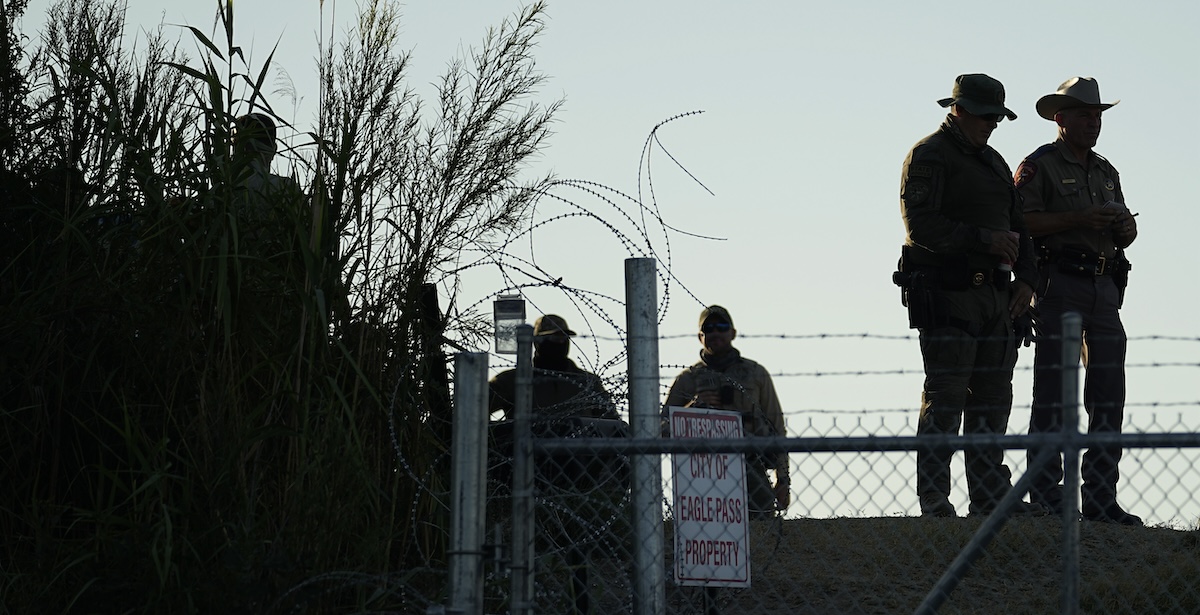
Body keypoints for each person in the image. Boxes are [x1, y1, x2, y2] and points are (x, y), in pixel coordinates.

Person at [896, 74, 1046, 518]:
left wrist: (1028, 281)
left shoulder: (996, 164)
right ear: (957, 110)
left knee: (994, 398)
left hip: (997, 299)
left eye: (997, 117)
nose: (991, 124)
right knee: (946, 396)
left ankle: (988, 495)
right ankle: (935, 498)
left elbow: (1020, 228)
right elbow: (920, 226)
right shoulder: (929, 156)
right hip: (949, 293)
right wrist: (984, 239)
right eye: (984, 116)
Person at [1013, 77, 1141, 526]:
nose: (1094, 123)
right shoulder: (1038, 166)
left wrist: (1125, 229)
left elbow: (1125, 229)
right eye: (1085, 115)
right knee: (1052, 398)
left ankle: (1101, 498)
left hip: (1105, 290)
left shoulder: (1106, 171)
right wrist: (1077, 218)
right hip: (1059, 287)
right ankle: (1046, 496)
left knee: (1108, 396)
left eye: (1098, 115)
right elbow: (1021, 223)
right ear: (1060, 118)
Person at [664, 305, 790, 519]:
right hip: (701, 471)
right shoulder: (687, 380)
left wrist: (783, 479)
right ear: (700, 336)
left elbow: (777, 428)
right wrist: (693, 407)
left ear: (733, 333)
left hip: (750, 464)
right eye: (709, 328)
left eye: (721, 327)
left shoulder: (755, 374)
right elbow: (660, 430)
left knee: (762, 529)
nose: (715, 333)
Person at [488, 314, 619, 421]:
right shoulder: (512, 381)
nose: (560, 343)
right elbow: (476, 411)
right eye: (554, 338)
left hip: (579, 451)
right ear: (537, 342)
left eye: (564, 338)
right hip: (529, 451)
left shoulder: (586, 382)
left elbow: (611, 423)